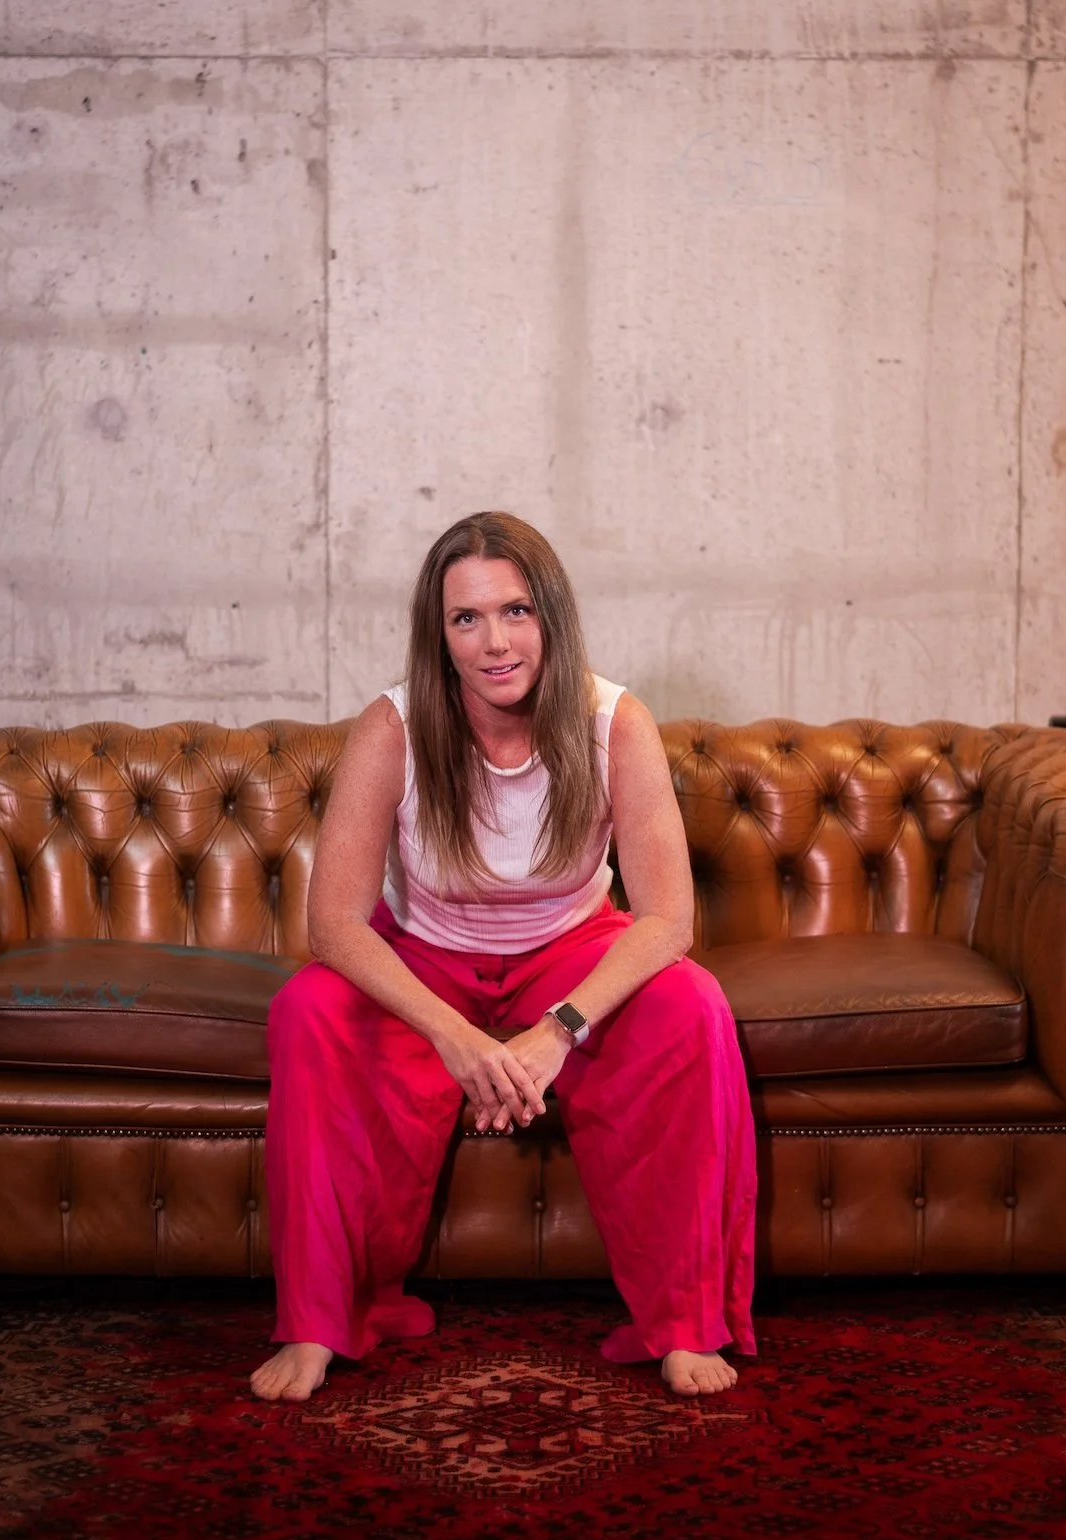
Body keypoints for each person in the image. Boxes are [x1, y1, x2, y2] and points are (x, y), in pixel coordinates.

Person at [250, 512, 757, 1403]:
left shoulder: (614, 722)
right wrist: (458, 1038)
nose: (496, 642)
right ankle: (319, 1324)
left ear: (551, 617)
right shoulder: (394, 728)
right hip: (429, 957)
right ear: (437, 635)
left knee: (692, 1005)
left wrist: (556, 1032)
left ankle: (681, 1323)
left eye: (516, 611)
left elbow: (668, 918)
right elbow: (333, 923)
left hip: (571, 950)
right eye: (467, 619)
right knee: (307, 1009)